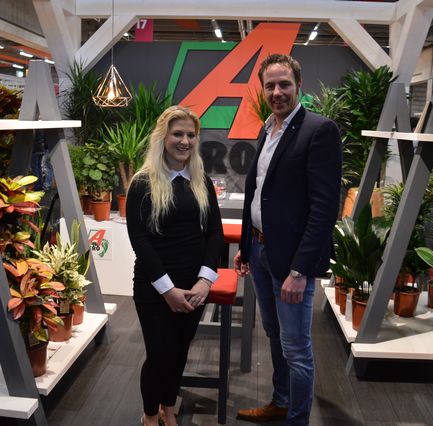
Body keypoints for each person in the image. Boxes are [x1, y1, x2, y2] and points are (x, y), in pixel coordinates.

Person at [234, 54, 342, 425]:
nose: (277, 92)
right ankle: (280, 402)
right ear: (262, 90)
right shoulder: (267, 129)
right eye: (270, 85)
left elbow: (324, 209)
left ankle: (297, 419)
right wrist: (247, 244)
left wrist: (300, 270)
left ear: (298, 85)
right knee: (273, 333)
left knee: (296, 348)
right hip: (260, 250)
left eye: (284, 84)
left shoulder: (319, 130)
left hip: (291, 260)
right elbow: (258, 192)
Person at [126, 105, 224, 426]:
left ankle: (168, 409)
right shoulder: (142, 183)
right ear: (163, 137)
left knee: (180, 351)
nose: (185, 141)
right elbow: (140, 240)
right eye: (177, 134)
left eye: (190, 135)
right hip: (155, 287)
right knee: (160, 354)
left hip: (193, 287)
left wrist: (205, 281)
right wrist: (168, 290)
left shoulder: (201, 181)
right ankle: (149, 416)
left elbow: (215, 233)